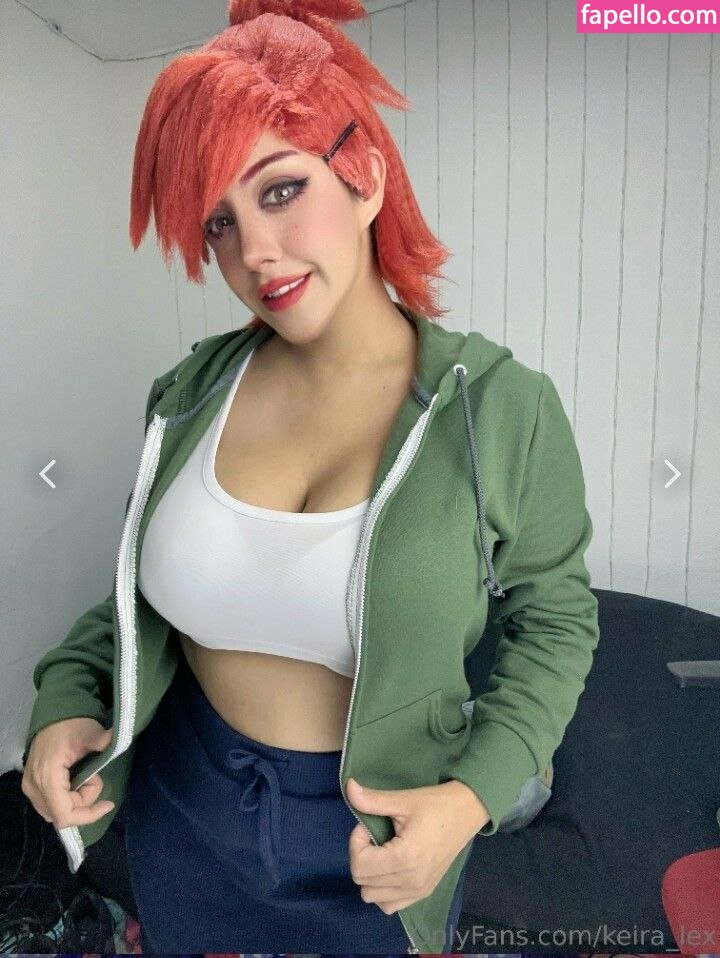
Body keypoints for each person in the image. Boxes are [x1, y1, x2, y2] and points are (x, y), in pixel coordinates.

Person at [20, 0, 600, 953]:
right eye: (219, 223)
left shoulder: (499, 407)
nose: (253, 253)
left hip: (382, 831)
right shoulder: (191, 393)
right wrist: (65, 701)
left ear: (365, 174)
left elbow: (558, 623)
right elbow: (131, 600)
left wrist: (469, 800)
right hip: (184, 800)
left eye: (281, 189)